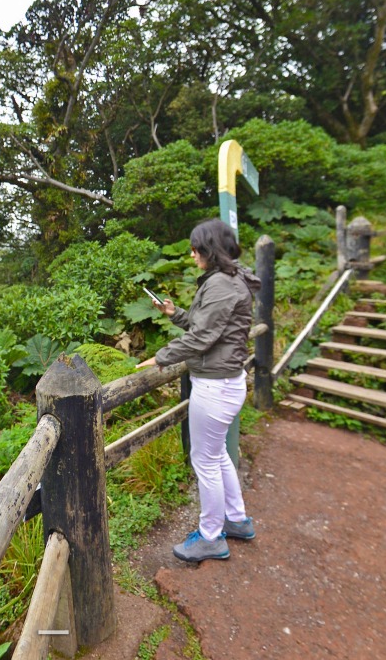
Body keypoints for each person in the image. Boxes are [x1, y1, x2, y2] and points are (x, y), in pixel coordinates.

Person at [136, 219, 260, 563]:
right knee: (217, 455)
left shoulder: (220, 284)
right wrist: (175, 314)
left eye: (196, 248)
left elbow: (203, 338)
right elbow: (208, 326)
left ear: (210, 250)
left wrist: (161, 357)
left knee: (204, 460)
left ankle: (210, 537)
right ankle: (237, 521)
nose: (192, 254)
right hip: (226, 381)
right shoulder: (230, 280)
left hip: (215, 385)